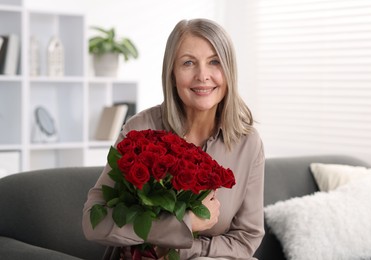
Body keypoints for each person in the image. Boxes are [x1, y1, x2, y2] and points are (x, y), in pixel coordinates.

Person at [82, 18, 265, 260]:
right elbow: (93, 222)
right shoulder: (140, 129)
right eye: (188, 63)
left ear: (229, 71)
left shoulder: (248, 143)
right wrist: (184, 224)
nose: (203, 76)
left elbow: (246, 239)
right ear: (172, 73)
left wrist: (180, 249)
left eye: (214, 62)